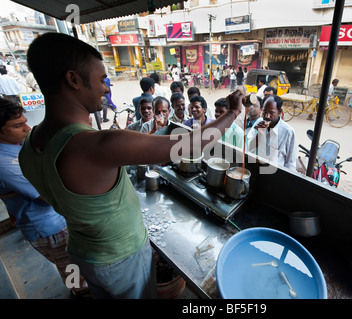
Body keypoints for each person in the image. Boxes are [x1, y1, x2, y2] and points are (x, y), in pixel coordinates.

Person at [20, 32, 243, 299]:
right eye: (102, 79)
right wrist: (232, 113)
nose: (106, 88)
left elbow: (56, 196)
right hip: (120, 258)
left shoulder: (28, 146)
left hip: (83, 252)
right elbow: (192, 145)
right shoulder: (95, 145)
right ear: (73, 79)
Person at [0, 98, 90, 298]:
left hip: (55, 219)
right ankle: (81, 292)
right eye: (17, 126)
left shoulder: (16, 145)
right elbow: (47, 195)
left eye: (24, 121)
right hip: (49, 227)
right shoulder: (5, 164)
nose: (27, 128)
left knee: (74, 262)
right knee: (71, 268)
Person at [247, 95, 297, 171]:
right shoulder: (259, 123)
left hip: (275, 175)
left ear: (279, 112)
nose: (267, 116)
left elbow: (290, 163)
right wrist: (259, 134)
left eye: (271, 113)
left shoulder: (288, 132)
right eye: (264, 112)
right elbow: (250, 148)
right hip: (256, 169)